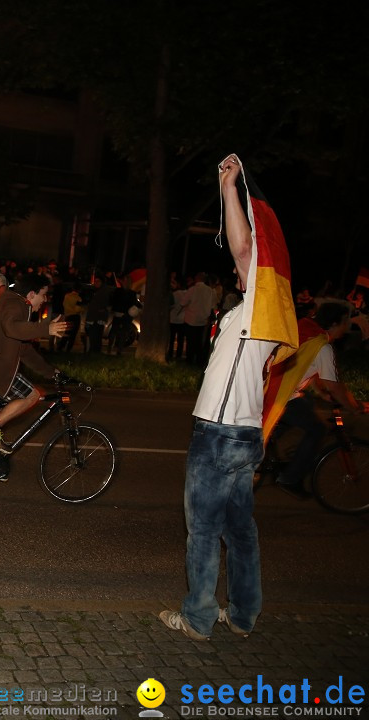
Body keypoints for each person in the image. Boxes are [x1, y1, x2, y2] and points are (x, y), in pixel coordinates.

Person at [159, 154, 296, 640]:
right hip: (244, 435)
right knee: (241, 532)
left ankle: (197, 618)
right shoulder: (265, 318)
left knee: (202, 532)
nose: (243, 267)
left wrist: (229, 187)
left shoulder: (260, 308)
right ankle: (242, 614)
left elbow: (241, 245)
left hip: (218, 437)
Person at [0, 273, 68, 466]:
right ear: (32, 294)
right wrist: (46, 329)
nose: (45, 300)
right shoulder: (16, 303)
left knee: (0, 413)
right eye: (43, 295)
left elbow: (24, 351)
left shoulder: (16, 305)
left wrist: (53, 373)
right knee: (31, 396)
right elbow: (11, 328)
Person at [268, 302, 367, 498]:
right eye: (346, 322)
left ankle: (267, 448)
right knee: (318, 429)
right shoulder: (324, 347)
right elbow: (336, 387)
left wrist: (319, 391)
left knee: (306, 405)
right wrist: (355, 406)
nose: (348, 327)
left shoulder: (306, 330)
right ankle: (290, 478)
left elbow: (305, 364)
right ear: (335, 322)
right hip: (283, 396)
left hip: (271, 388)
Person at [184, 272, 218, 366]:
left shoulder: (192, 289)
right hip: (203, 319)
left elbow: (183, 302)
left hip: (191, 318)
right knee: (199, 340)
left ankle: (189, 360)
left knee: (190, 340)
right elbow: (212, 305)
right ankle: (199, 360)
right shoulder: (210, 291)